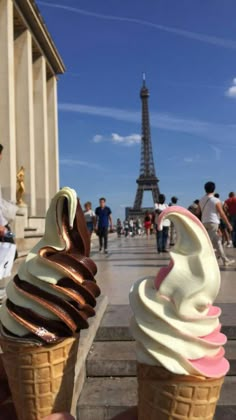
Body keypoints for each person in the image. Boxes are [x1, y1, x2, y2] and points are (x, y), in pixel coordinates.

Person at [198, 182, 234, 266]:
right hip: (213, 223)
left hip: (204, 222)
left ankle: (225, 260)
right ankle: (201, 261)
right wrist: (228, 224)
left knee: (218, 242)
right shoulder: (216, 200)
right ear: (214, 189)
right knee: (208, 243)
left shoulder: (201, 200)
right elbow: (221, 213)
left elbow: (198, 212)